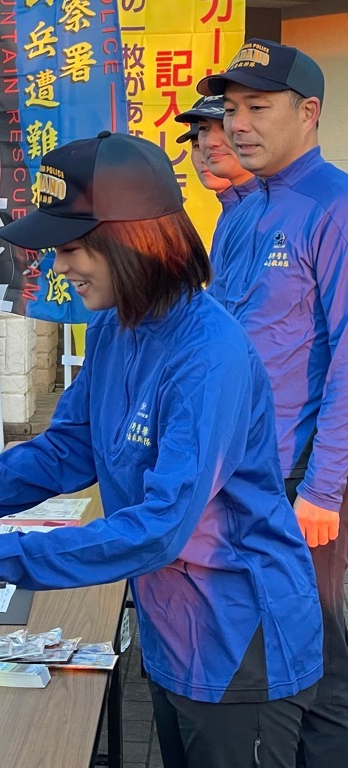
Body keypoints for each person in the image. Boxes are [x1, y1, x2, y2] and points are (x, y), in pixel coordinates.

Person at [0, 132, 322, 768]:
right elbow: (63, 452)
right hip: (174, 629)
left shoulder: (208, 356)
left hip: (238, 636)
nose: (61, 268)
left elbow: (159, 529)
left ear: (130, 240)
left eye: (71, 249)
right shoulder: (118, 326)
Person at [200, 38, 348, 767]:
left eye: (258, 107)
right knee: (283, 644)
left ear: (308, 111)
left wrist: (323, 489)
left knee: (313, 647)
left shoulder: (334, 206)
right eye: (231, 110)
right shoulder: (243, 210)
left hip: (303, 482)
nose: (239, 125)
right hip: (249, 470)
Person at [175, 94, 259, 232]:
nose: (210, 143)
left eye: (224, 128)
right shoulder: (230, 210)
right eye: (203, 129)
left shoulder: (273, 206)